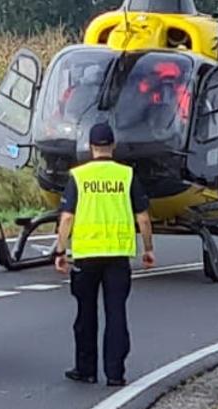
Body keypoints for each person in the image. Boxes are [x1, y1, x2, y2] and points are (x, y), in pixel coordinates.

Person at [53, 122, 155, 386]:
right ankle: (115, 374)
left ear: (90, 146)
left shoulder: (79, 176)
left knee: (85, 314)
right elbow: (143, 217)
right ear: (113, 146)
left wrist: (61, 251)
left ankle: (86, 370)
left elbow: (66, 218)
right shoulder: (126, 175)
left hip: (86, 255)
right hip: (118, 256)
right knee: (116, 313)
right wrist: (148, 249)